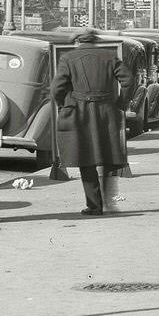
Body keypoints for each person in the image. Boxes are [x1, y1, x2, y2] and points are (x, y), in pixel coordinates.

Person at [51, 30, 127, 214]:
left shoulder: (68, 59)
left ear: (78, 42)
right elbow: (129, 80)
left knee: (86, 159)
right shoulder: (110, 56)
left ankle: (94, 205)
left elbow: (56, 89)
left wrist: (64, 105)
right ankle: (108, 199)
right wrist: (120, 102)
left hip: (81, 114)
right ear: (96, 41)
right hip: (107, 112)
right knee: (109, 156)